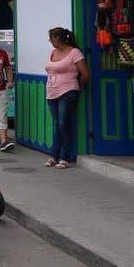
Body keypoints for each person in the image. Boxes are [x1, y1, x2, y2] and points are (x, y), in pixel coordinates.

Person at [45, 27, 89, 169]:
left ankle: (66, 157)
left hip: (68, 92)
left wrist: (75, 87)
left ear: (58, 38)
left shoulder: (74, 53)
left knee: (64, 123)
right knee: (58, 124)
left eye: (51, 38)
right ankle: (54, 156)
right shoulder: (52, 52)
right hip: (51, 93)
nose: (50, 41)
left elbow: (85, 74)